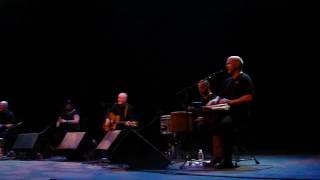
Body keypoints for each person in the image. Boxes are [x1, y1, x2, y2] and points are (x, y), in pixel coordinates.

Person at [206, 56, 255, 168]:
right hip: (227, 113)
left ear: (237, 65)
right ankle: (217, 156)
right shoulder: (228, 81)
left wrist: (230, 102)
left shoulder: (245, 78)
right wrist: (214, 100)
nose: (226, 65)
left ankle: (228, 161)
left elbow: (248, 97)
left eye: (229, 63)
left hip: (240, 114)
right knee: (206, 124)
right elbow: (220, 95)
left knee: (224, 125)